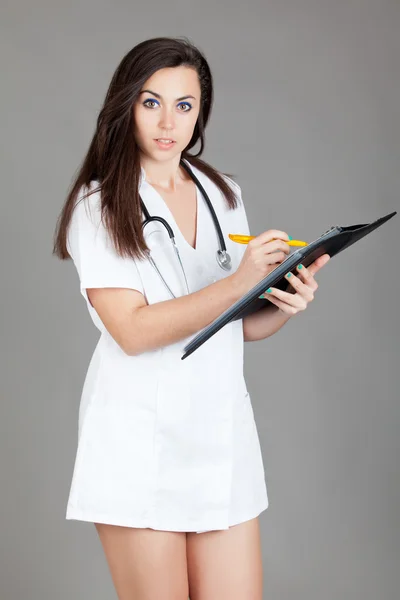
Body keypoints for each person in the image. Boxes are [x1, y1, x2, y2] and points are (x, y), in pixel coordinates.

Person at [53, 36, 330, 600]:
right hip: (140, 445)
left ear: (200, 112)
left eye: (184, 105)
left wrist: (284, 302)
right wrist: (238, 282)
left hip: (220, 441)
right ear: (125, 104)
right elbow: (132, 331)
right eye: (151, 102)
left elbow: (238, 322)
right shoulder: (99, 205)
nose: (167, 122)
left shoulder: (222, 193)